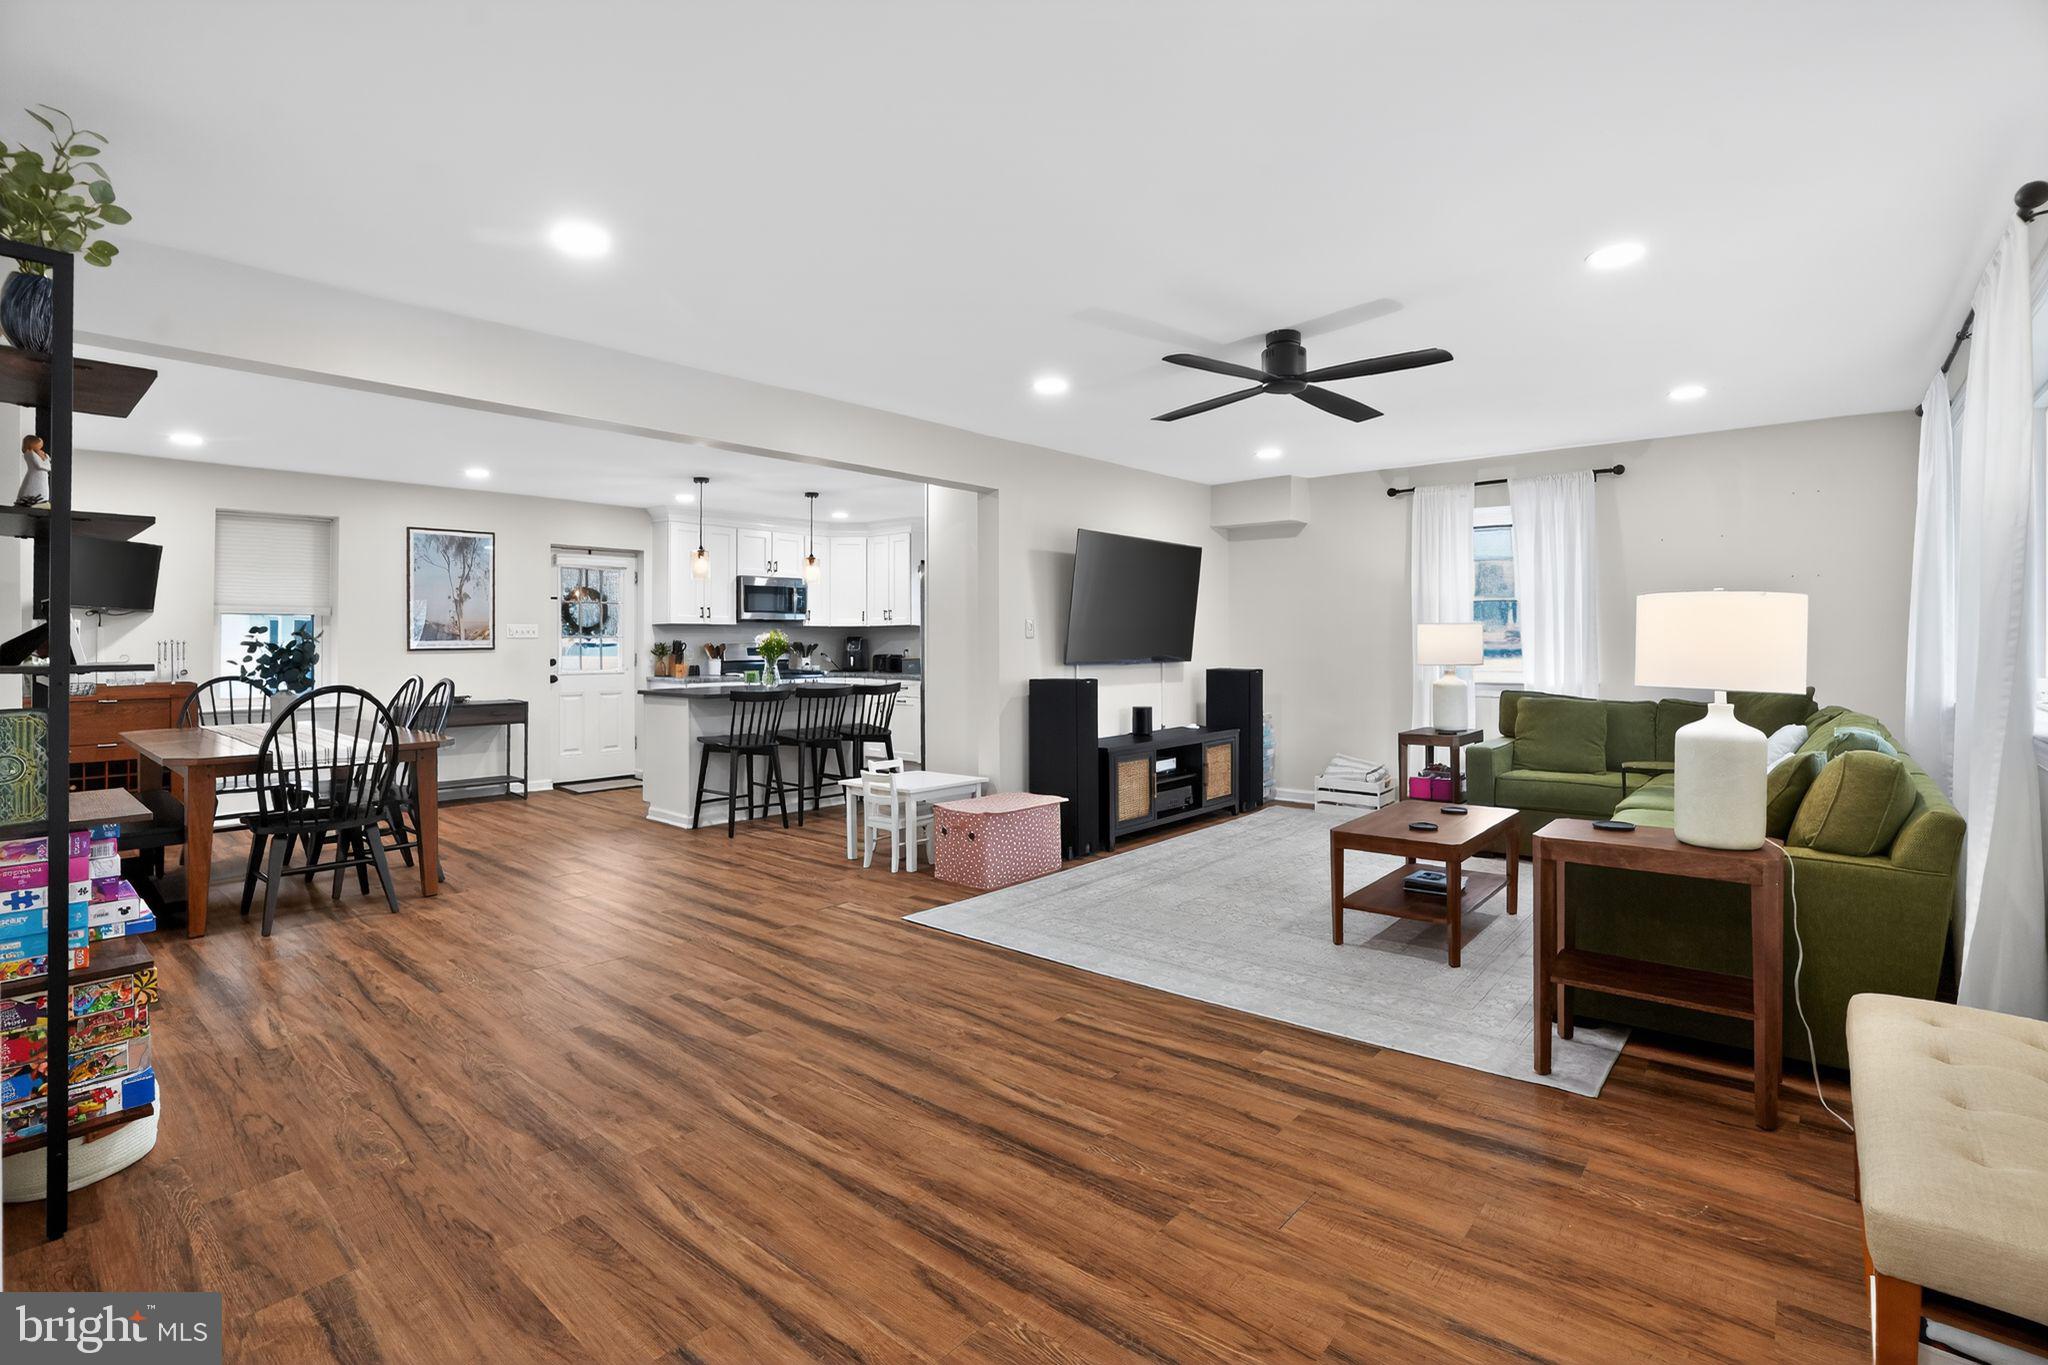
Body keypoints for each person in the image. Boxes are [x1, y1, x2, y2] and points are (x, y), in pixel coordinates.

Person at [14, 434, 49, 508]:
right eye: (39, 444)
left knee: (41, 490)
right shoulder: (30, 454)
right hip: (36, 477)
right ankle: (31, 501)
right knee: (33, 489)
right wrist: (45, 458)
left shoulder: (34, 453)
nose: (40, 447)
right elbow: (41, 466)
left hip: (40, 477)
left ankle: (39, 502)